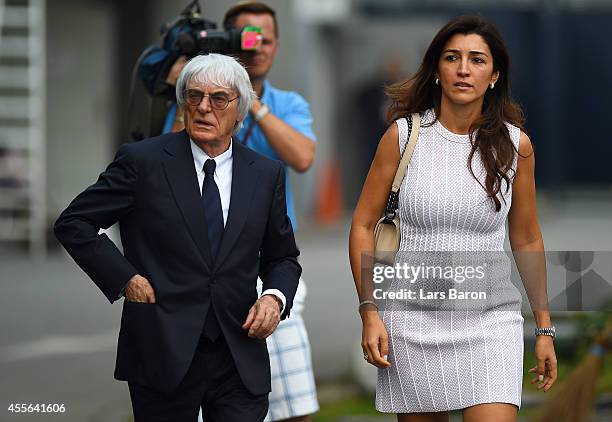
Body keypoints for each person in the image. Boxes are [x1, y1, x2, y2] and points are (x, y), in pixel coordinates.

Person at [54, 53, 301, 421]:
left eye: (218, 99)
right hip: (162, 349)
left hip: (239, 353)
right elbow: (74, 222)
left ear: (240, 110)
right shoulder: (143, 162)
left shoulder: (265, 174)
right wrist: (125, 278)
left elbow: (282, 257)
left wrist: (274, 298)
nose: (203, 107)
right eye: (194, 96)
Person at [349, 15, 557, 422]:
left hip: (491, 322)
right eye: (452, 57)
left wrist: (544, 329)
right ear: (437, 69)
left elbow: (528, 239)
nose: (464, 69)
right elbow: (362, 225)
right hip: (410, 323)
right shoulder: (402, 137)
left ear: (494, 75)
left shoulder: (517, 147)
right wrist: (369, 311)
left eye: (477, 60)